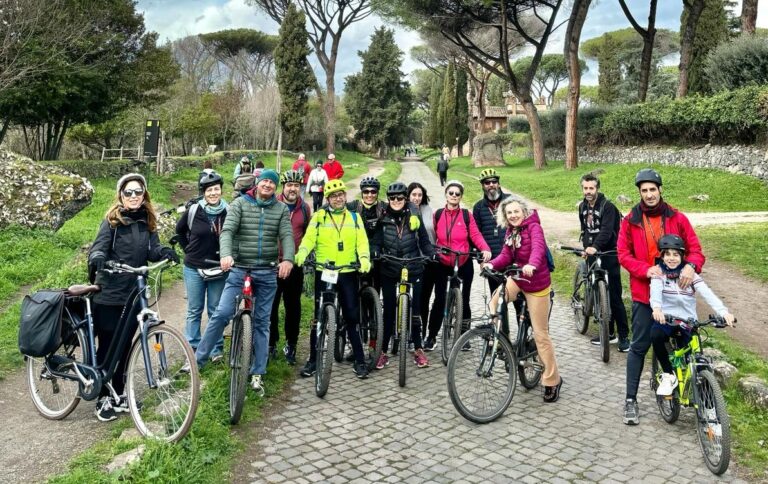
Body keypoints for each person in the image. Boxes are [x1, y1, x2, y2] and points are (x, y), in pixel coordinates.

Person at [194, 169, 295, 397]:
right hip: (240, 268)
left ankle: (257, 373)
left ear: (276, 187)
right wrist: (226, 255)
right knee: (221, 314)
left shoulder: (280, 209)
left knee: (262, 322)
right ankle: (198, 360)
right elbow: (228, 230)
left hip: (268, 271)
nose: (268, 185)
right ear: (257, 183)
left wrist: (287, 259)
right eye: (265, 181)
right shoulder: (240, 203)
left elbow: (286, 235)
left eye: (272, 182)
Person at [88, 173, 179, 421]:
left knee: (126, 346)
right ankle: (103, 398)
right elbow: (99, 246)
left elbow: (152, 249)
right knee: (108, 347)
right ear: (121, 195)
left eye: (138, 192)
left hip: (133, 293)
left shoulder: (146, 221)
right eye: (128, 192)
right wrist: (98, 258)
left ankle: (120, 393)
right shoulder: (111, 222)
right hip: (110, 293)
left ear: (144, 195)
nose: (133, 196)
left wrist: (165, 252)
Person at [618, 168, 705, 425]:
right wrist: (645, 269)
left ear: (660, 190)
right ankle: (630, 400)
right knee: (640, 345)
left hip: (677, 295)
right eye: (644, 191)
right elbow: (623, 254)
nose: (649, 194)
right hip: (646, 294)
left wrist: (692, 266)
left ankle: (700, 393)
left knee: (688, 344)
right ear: (640, 193)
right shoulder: (631, 220)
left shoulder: (677, 217)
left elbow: (696, 249)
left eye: (652, 189)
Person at [483, 197, 563, 403]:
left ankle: (552, 381)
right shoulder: (511, 231)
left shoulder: (534, 227)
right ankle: (498, 340)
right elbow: (505, 255)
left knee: (540, 334)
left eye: (516, 211)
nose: (513, 215)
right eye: (509, 213)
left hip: (536, 283)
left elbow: (537, 250)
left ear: (524, 211)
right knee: (494, 302)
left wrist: (531, 265)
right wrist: (492, 264)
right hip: (518, 279)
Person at [295, 179, 372, 379]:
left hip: (347, 271)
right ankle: (313, 360)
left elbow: (362, 242)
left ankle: (360, 361)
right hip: (324, 270)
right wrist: (302, 252)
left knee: (352, 316)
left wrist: (364, 259)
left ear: (345, 196)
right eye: (334, 196)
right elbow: (309, 238)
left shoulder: (355, 218)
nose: (338, 198)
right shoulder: (319, 217)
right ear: (328, 199)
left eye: (341, 195)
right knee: (318, 317)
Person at [650, 234, 735, 396]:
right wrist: (657, 309)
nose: (671, 258)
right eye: (667, 254)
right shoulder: (658, 273)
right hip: (666, 319)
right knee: (655, 335)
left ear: (682, 256)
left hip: (687, 321)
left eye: (676, 254)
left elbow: (707, 293)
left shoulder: (690, 275)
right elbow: (655, 294)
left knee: (698, 362)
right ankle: (668, 375)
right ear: (661, 256)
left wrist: (724, 313)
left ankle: (709, 406)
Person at [371, 182, 435, 370]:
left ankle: (418, 349)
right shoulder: (383, 217)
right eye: (392, 198)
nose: (396, 201)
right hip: (390, 267)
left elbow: (424, 239)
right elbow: (376, 241)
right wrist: (375, 251)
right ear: (388, 199)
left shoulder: (414, 215)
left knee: (416, 311)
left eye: (400, 198)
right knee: (389, 310)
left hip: (413, 265)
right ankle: (382, 351)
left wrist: (430, 253)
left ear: (405, 198)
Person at [424, 180, 491, 351]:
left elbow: (475, 235)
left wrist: (485, 249)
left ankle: (464, 337)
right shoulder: (438, 214)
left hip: (463, 261)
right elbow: (431, 236)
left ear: (461, 196)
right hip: (443, 262)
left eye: (457, 194)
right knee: (439, 299)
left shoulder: (467, 216)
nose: (454, 196)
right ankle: (431, 336)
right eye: (451, 193)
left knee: (465, 300)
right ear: (446, 194)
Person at [175, 171, 228, 362]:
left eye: (216, 189)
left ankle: (216, 349)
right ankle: (193, 348)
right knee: (194, 310)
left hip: (218, 268)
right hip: (194, 268)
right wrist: (187, 249)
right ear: (203, 192)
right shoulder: (194, 210)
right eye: (209, 190)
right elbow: (180, 231)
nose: (213, 193)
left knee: (216, 310)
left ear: (221, 190)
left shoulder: (228, 211)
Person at [577, 173, 630, 352]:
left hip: (609, 252)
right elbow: (585, 230)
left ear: (597, 188)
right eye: (585, 188)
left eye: (591, 188)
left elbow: (607, 231)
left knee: (614, 296)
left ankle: (623, 337)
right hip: (591, 252)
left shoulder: (609, 207)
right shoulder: (582, 207)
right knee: (599, 293)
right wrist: (586, 248)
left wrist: (595, 246)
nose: (588, 191)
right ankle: (608, 333)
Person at [269, 170, 312, 365]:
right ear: (283, 187)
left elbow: (307, 234)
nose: (293, 188)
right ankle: (271, 343)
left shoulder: (305, 208)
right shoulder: (273, 204)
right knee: (270, 307)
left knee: (293, 306)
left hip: (294, 265)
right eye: (289, 185)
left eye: (296, 185)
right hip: (271, 264)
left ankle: (291, 344)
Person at [472, 169, 511, 298]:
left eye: (494, 181)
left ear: (498, 184)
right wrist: (480, 260)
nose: (491, 185)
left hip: (512, 257)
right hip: (492, 260)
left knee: (518, 301)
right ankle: (497, 319)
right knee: (496, 298)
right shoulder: (478, 207)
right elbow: (475, 234)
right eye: (487, 183)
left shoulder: (510, 201)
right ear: (482, 186)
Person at [347, 176, 387, 291]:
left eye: (373, 191)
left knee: (377, 284)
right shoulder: (354, 206)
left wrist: (414, 213)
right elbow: (334, 205)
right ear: (362, 193)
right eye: (366, 191)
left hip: (377, 252)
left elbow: (403, 205)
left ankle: (375, 305)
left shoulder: (383, 207)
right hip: (357, 251)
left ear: (377, 193)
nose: (370, 195)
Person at [408, 182, 436, 340]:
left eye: (419, 195)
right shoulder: (403, 209)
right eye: (414, 195)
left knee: (423, 299)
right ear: (408, 195)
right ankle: (405, 331)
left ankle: (420, 332)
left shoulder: (428, 210)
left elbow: (432, 233)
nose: (417, 198)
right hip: (408, 259)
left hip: (425, 259)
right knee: (408, 299)